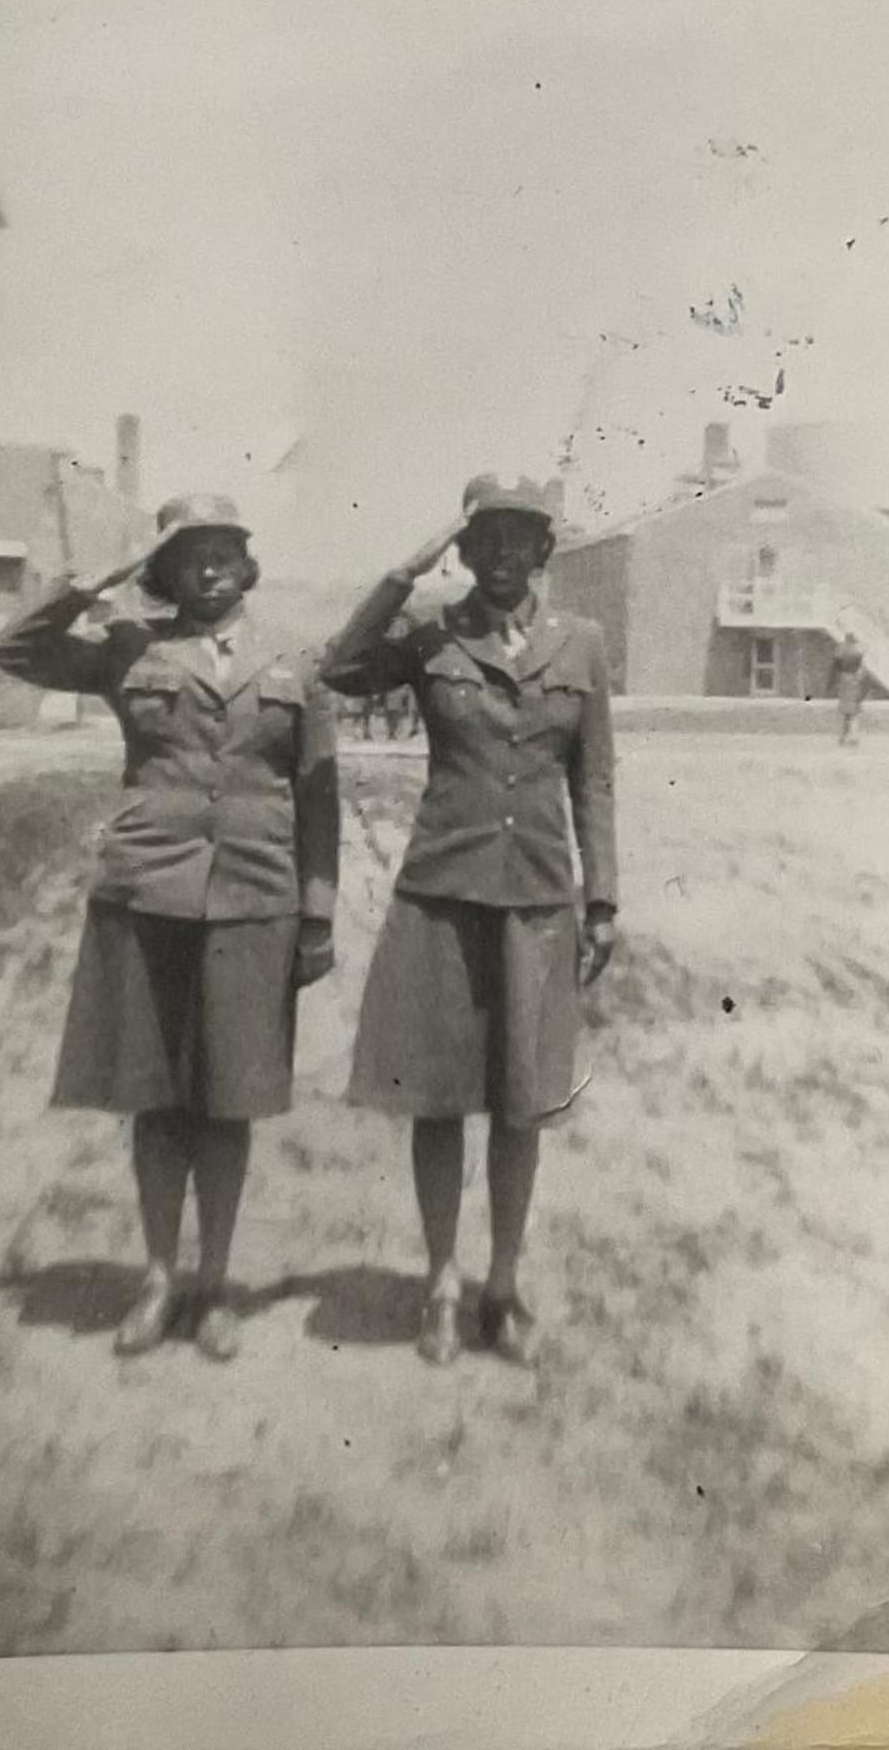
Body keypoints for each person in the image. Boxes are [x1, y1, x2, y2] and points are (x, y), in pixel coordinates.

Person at [0, 494, 339, 1363]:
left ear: (247, 562)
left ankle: (214, 1282)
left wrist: (318, 913)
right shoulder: (129, 647)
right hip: (148, 891)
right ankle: (156, 1276)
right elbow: (14, 649)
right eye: (191, 552)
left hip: (256, 896)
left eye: (224, 548)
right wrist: (90, 582)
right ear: (167, 568)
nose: (210, 564)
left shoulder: (295, 655)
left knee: (228, 1101)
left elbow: (321, 797)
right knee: (156, 1097)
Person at [319, 474, 618, 1369]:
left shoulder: (584, 643)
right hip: (442, 898)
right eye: (482, 539)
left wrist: (600, 895)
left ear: (543, 550)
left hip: (535, 898)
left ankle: (505, 1284)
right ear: (463, 546)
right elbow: (338, 669)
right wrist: (402, 573)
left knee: (522, 1105)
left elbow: (593, 777)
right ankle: (443, 1283)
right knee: (441, 1100)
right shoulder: (434, 632)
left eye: (518, 539)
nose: (500, 555)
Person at [827, 630, 867, 746]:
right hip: (854, 680)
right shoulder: (857, 652)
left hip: (844, 680)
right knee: (853, 711)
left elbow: (835, 667)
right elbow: (861, 669)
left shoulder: (840, 651)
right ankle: (851, 737)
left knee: (847, 711)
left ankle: (845, 736)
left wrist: (831, 683)